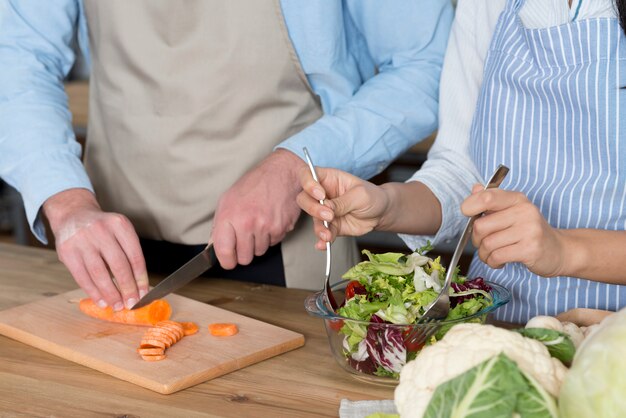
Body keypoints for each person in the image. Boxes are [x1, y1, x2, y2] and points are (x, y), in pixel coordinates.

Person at [0, 1, 453, 311]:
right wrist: (66, 201)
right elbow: (17, 55)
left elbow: (425, 66)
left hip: (290, 250)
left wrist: (294, 166)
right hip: (106, 246)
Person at [298, 0, 626, 324]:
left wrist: (565, 251)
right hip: (499, 327)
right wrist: (387, 204)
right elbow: (462, 171)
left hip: (611, 341)